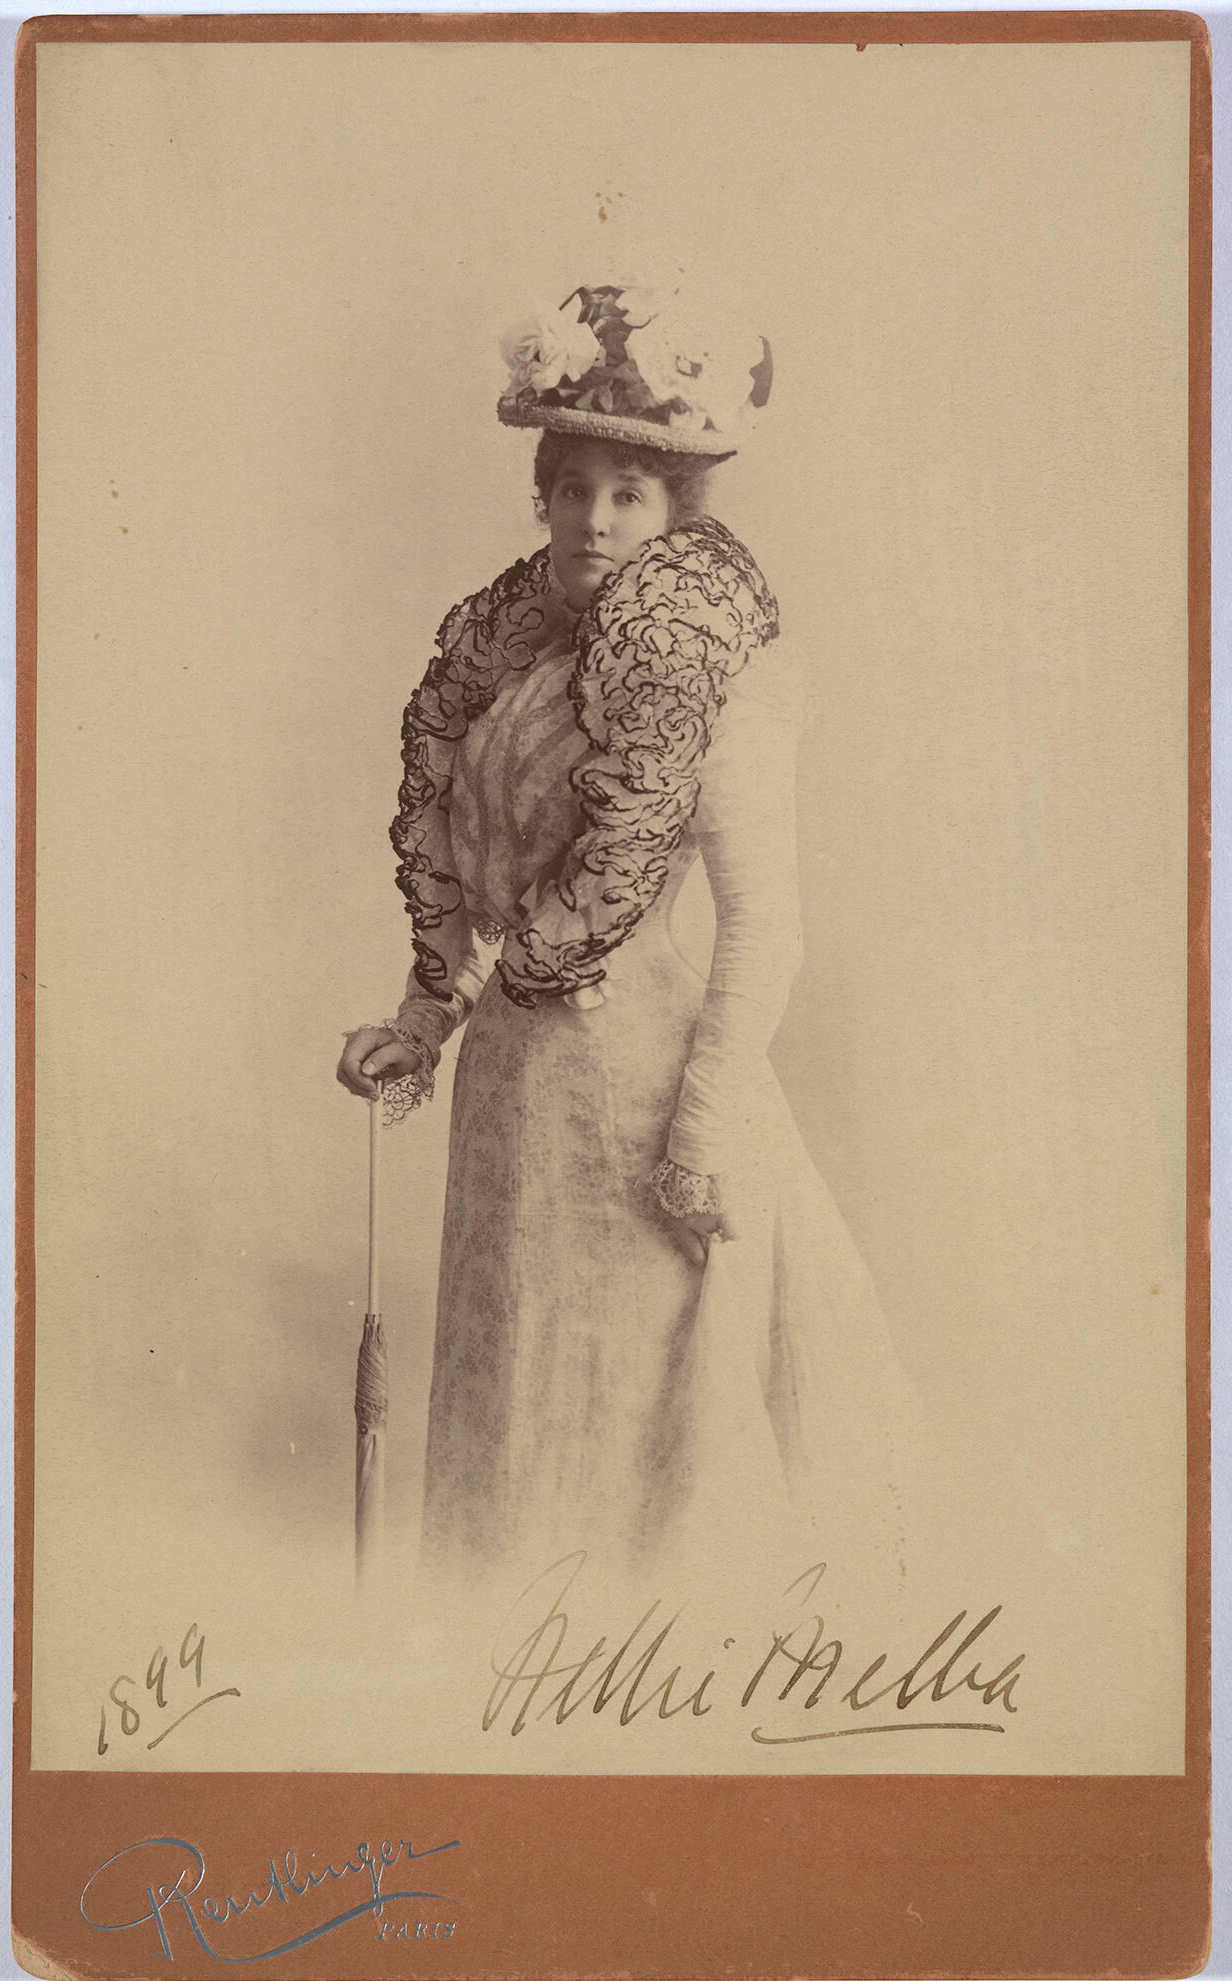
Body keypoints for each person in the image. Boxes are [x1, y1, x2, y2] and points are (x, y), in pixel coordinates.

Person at [337, 281, 916, 1620]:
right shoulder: (502, 657)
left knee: (639, 1433)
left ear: (676, 512)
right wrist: (426, 1022)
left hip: (654, 1091)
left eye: (631, 495)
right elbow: (480, 883)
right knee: (517, 1407)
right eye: (574, 486)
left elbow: (766, 922)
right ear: (542, 494)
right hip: (515, 1097)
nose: (595, 519)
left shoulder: (714, 668)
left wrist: (705, 1122)